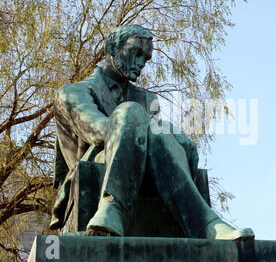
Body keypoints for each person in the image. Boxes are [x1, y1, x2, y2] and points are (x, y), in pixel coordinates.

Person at [50, 25, 255, 241]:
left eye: (146, 59)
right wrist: (145, 120)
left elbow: (155, 142)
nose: (141, 63)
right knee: (135, 114)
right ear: (111, 49)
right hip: (97, 162)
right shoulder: (72, 92)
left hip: (143, 165)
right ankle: (113, 206)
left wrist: (174, 137)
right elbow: (98, 131)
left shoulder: (147, 99)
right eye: (136, 53)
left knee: (160, 138)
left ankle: (207, 224)